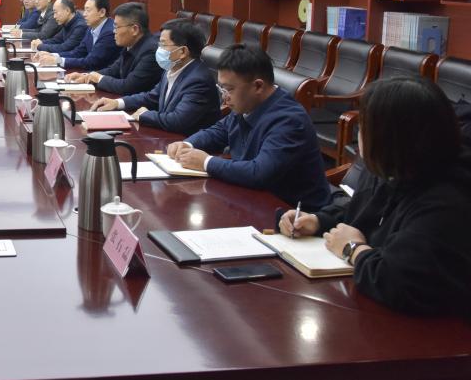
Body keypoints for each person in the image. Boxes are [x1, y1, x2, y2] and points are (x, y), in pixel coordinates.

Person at [279, 78, 471, 317]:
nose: (358, 136)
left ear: (390, 138)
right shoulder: (397, 167)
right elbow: (367, 212)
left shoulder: (447, 199)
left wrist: (352, 249)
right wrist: (319, 221)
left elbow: (398, 282)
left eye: (363, 128)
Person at [166, 44, 331, 209]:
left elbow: (259, 173)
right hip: (252, 199)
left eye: (229, 89)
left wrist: (206, 162)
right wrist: (188, 144)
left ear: (258, 86)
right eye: (222, 88)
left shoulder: (289, 120)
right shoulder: (248, 103)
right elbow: (219, 131)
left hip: (294, 213)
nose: (224, 98)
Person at [91, 19, 220, 135]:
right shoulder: (172, 68)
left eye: (163, 45)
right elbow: (152, 97)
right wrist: (117, 103)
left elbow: (178, 121)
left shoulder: (198, 81)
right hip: (168, 137)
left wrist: (145, 115)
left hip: (186, 145)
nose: (159, 49)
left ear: (182, 52)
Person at [67, 2, 162, 96]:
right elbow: (113, 70)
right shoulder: (130, 44)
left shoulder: (151, 51)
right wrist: (87, 76)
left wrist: (99, 79)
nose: (114, 31)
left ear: (135, 29)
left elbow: (128, 87)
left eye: (117, 27)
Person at [35, 0, 119, 71]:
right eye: (84, 10)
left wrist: (58, 60)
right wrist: (53, 55)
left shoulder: (109, 32)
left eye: (88, 10)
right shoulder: (91, 28)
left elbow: (91, 62)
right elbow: (78, 52)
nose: (84, 14)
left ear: (102, 12)